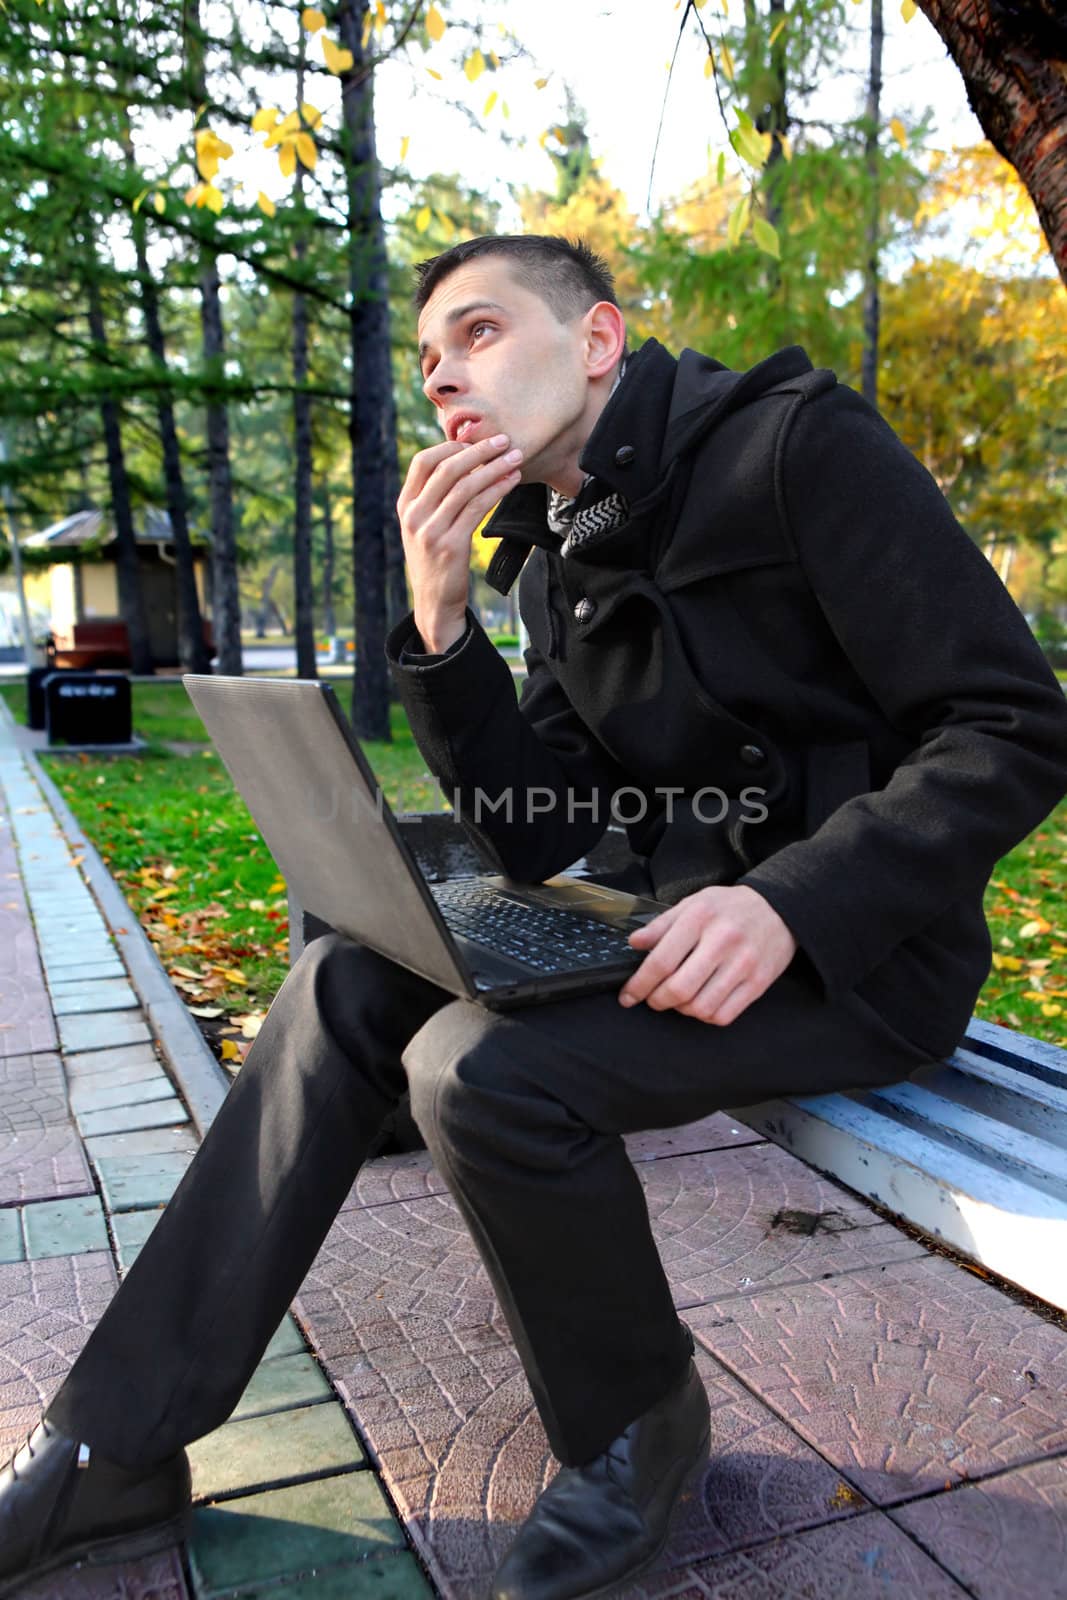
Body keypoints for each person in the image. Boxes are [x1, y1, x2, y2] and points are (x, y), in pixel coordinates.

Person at [3, 233, 1067, 1600]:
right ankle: (115, 1447)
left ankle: (634, 1431)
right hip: (673, 924)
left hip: (864, 955)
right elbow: (552, 834)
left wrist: (791, 907)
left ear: (602, 341)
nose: (446, 376)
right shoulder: (555, 554)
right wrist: (443, 631)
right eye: (433, 360)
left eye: (483, 333)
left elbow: (1010, 724)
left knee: (473, 1070)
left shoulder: (800, 450)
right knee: (342, 984)